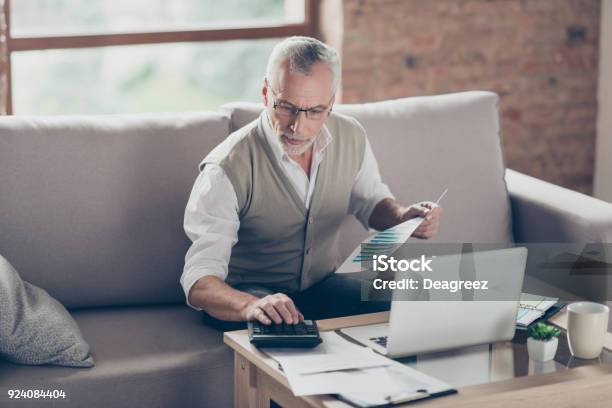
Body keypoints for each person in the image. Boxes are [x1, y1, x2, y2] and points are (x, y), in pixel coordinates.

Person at [181, 36, 442, 330]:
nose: (298, 127)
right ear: (266, 94)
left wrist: (403, 217)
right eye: (286, 107)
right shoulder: (225, 168)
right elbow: (199, 281)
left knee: (413, 300)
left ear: (330, 103)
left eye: (315, 111)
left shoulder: (351, 135)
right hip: (251, 295)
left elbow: (370, 202)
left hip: (323, 287)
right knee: (280, 328)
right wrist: (251, 305)